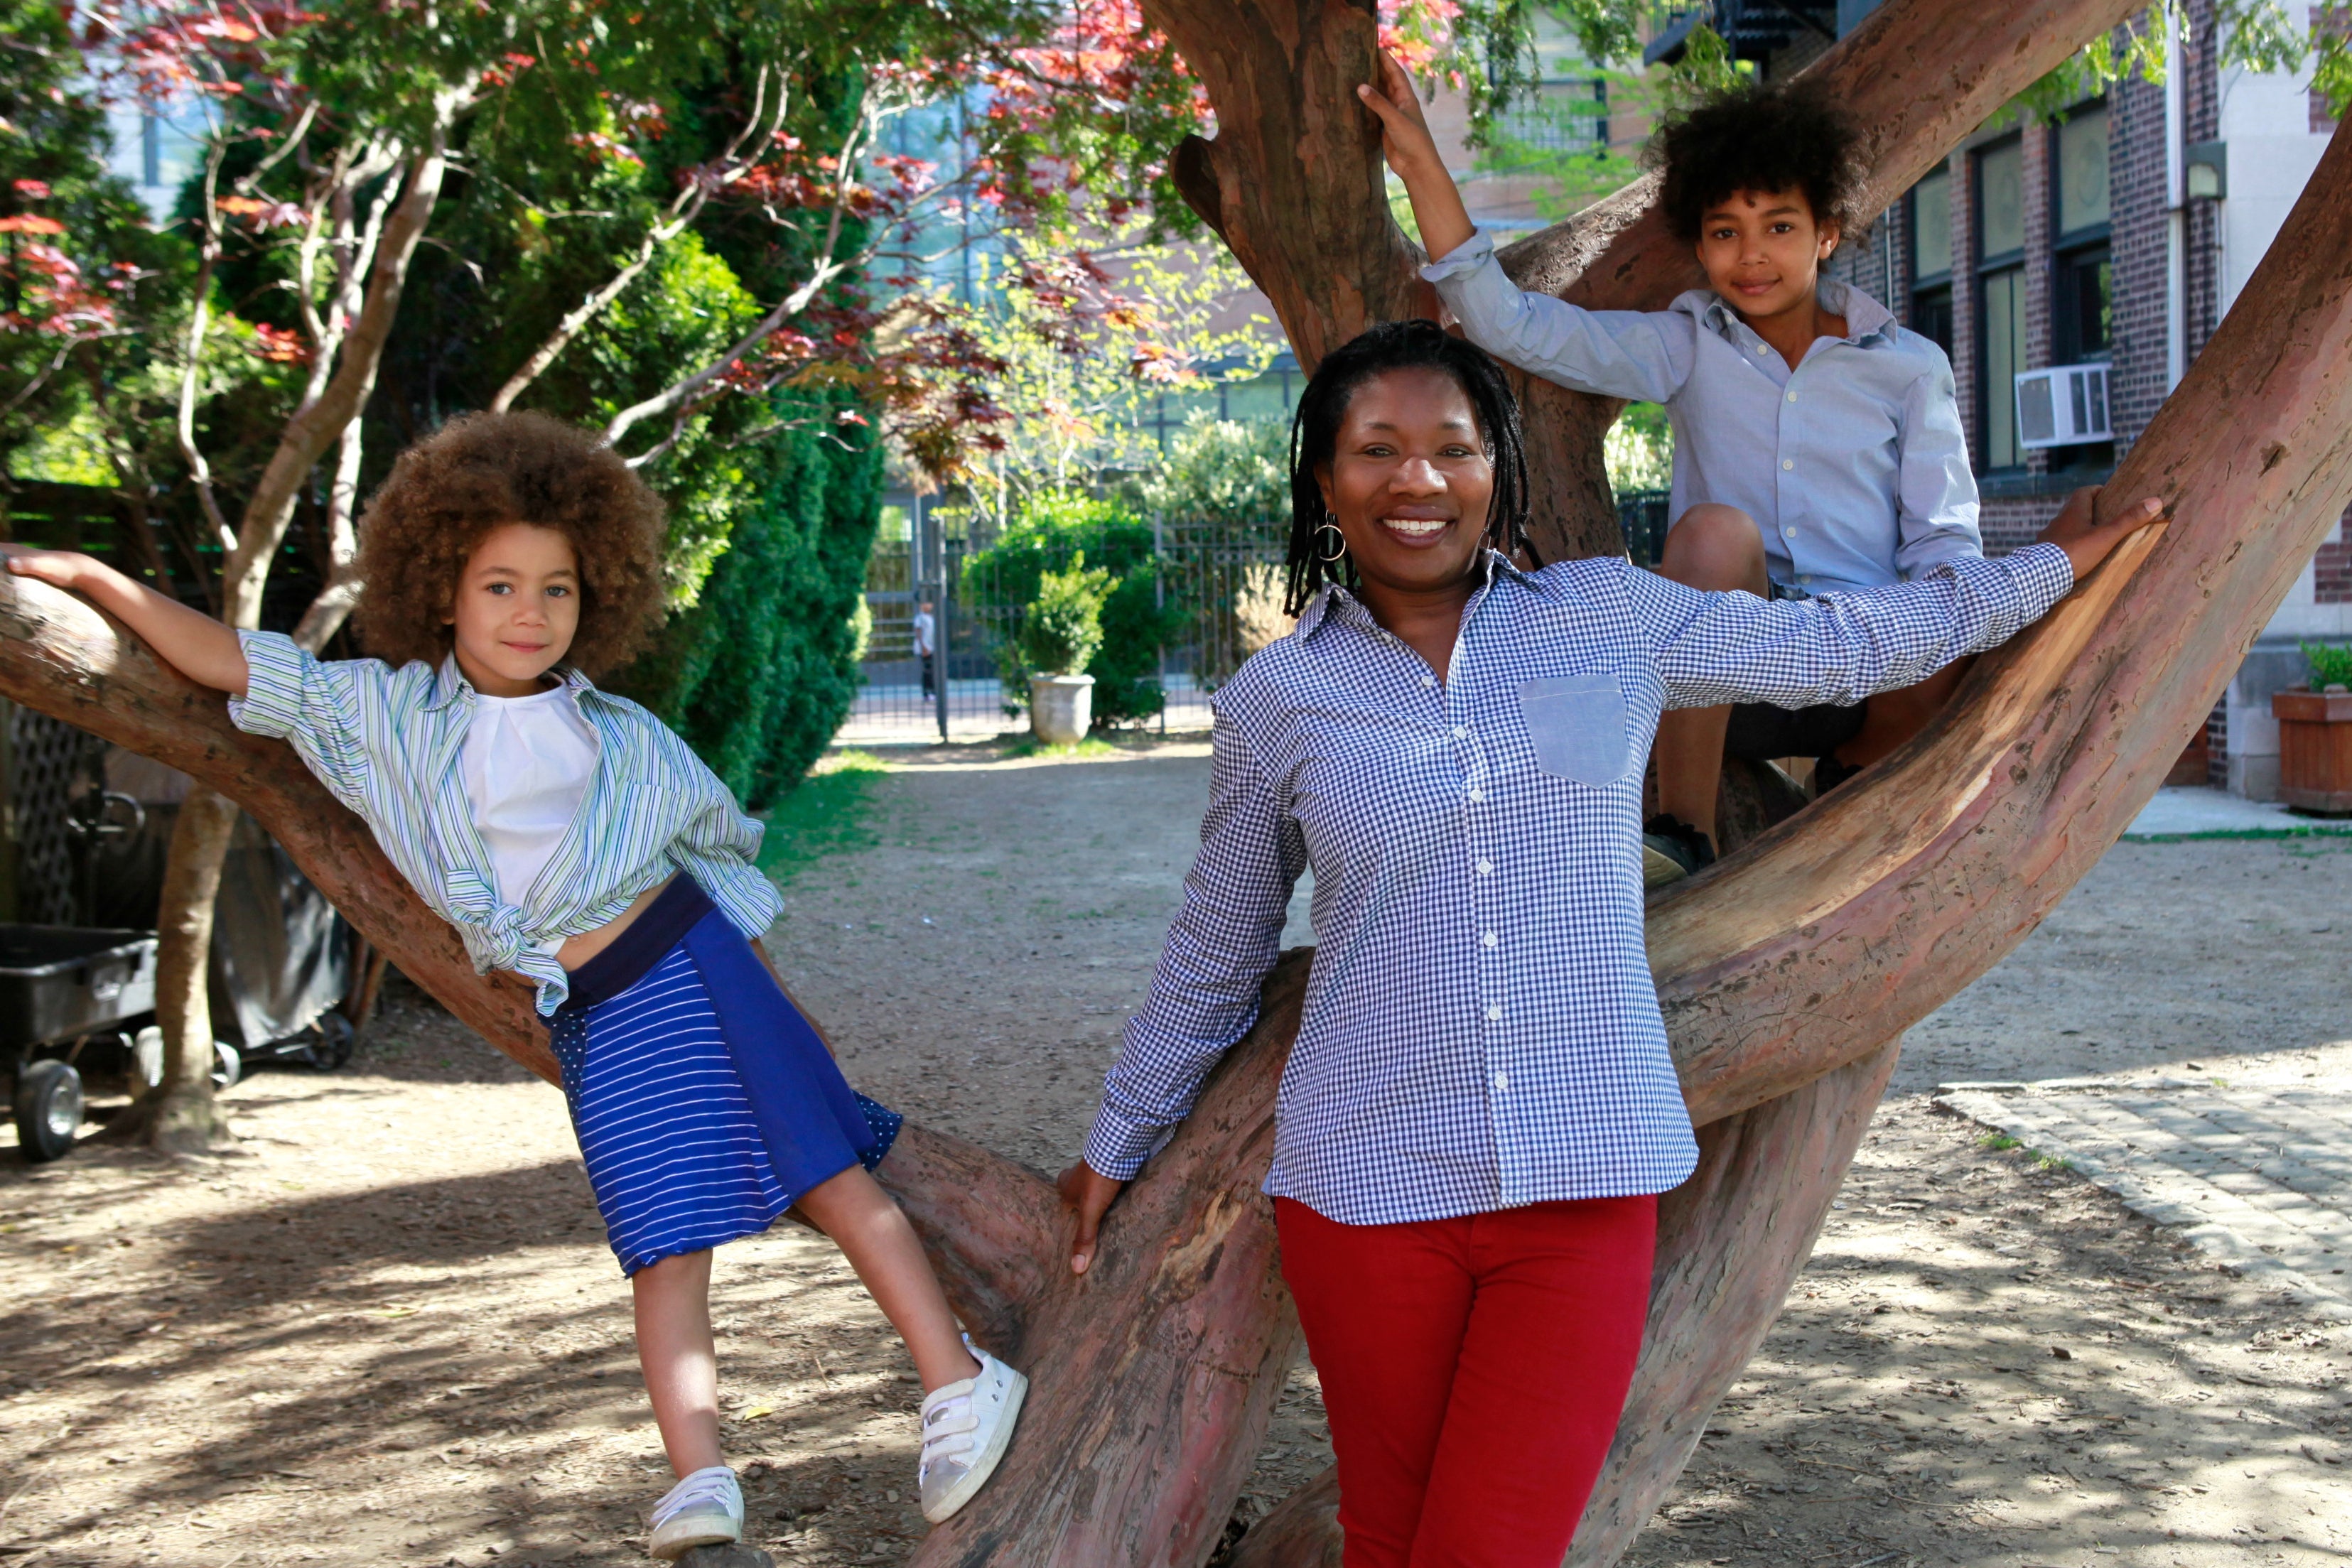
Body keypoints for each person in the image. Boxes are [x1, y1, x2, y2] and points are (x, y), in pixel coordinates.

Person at [1057, 321, 2160, 1568]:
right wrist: (1116, 1139)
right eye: (1377, 450)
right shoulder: (1278, 699)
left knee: (1491, 1550)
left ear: (1496, 471)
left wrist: (2049, 569)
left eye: (1450, 449)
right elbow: (1218, 944)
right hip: (1367, 1190)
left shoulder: (1611, 619)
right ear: (1323, 478)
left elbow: (1850, 642)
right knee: (1389, 1539)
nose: (1416, 479)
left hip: (1580, 1180)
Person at [3, 413, 1025, 1558]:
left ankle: (958, 1379)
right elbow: (240, 660)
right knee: (659, 1241)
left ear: (598, 597)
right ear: (443, 587)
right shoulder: (384, 712)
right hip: (603, 1012)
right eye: (498, 585)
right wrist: (90, 574)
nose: (530, 613)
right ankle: (700, 1474)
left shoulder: (623, 734)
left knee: (834, 1178)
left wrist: (787, 1004)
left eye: (558, 588)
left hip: (698, 962)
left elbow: (711, 862)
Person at [1359, 56, 1984, 876]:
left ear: (1826, 232)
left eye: (1779, 226)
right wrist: (1420, 169)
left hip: (1865, 668)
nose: (1750, 255)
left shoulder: (1909, 366)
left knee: (1960, 596)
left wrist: (1929, 652)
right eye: (1725, 231)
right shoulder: (1686, 346)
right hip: (1729, 672)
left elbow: (1943, 542)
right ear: (1699, 242)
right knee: (1715, 533)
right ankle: (1682, 831)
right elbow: (1511, 324)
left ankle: (1859, 773)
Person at [913, 598, 937, 698]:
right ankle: (927, 693)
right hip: (925, 648)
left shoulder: (931, 617)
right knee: (927, 671)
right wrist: (924, 647)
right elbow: (918, 632)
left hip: (931, 647)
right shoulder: (920, 618)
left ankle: (933, 691)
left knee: (932, 671)